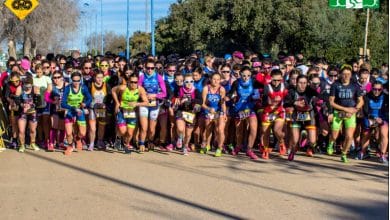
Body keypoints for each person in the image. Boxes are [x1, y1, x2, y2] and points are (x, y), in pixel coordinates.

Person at [328, 65, 364, 163]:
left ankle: (344, 153)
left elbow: (361, 101)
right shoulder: (335, 85)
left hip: (350, 114)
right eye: (344, 74)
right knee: (335, 135)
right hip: (338, 113)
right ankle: (331, 143)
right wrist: (345, 109)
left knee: (349, 136)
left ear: (351, 74)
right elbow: (331, 102)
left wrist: (354, 110)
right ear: (340, 74)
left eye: (348, 74)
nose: (346, 76)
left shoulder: (355, 85)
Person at [228, 66, 259, 160]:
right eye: (244, 75)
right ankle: (238, 146)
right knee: (239, 131)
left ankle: (249, 149)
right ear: (240, 74)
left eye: (248, 75)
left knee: (254, 128)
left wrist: (255, 96)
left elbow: (257, 94)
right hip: (239, 109)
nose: (246, 77)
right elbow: (231, 93)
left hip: (250, 108)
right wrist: (229, 97)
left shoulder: (253, 82)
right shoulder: (236, 82)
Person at [112, 73, 149, 153]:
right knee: (122, 131)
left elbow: (146, 102)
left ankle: (126, 145)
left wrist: (137, 104)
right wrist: (117, 103)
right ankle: (118, 138)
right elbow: (113, 91)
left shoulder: (140, 89)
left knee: (129, 133)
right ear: (128, 81)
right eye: (131, 82)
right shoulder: (123, 87)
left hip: (132, 113)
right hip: (122, 111)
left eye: (135, 82)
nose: (133, 84)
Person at [284, 75, 318, 161]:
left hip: (309, 115)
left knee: (313, 141)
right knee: (295, 141)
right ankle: (292, 151)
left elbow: (322, 97)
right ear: (296, 83)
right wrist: (295, 102)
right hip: (296, 115)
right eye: (300, 83)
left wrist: (316, 101)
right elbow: (285, 102)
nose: (302, 85)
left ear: (307, 83)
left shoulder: (310, 91)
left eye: (304, 83)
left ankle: (307, 142)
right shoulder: (292, 91)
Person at [137, 59, 167, 152]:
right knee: (144, 127)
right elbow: (137, 90)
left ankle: (150, 140)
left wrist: (155, 95)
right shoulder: (142, 77)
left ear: (155, 68)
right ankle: (142, 143)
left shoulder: (158, 77)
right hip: (144, 104)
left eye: (152, 68)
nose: (150, 70)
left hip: (154, 105)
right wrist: (144, 95)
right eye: (148, 68)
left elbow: (164, 93)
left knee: (151, 129)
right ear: (144, 67)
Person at [61, 71, 92, 155]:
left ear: (80, 80)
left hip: (79, 111)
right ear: (71, 80)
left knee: (82, 133)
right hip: (70, 111)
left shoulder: (83, 88)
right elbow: (63, 103)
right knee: (68, 132)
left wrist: (85, 104)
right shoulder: (67, 88)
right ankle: (70, 146)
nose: (76, 82)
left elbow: (90, 98)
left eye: (78, 80)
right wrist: (72, 108)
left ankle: (78, 138)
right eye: (74, 80)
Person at [260, 69, 288, 159]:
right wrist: (267, 101)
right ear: (271, 78)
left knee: (276, 130)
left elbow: (288, 100)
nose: (276, 82)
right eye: (274, 80)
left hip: (279, 112)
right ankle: (265, 149)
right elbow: (263, 102)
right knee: (265, 133)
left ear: (281, 79)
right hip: (268, 112)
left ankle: (281, 142)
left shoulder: (285, 86)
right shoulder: (267, 87)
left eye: (278, 80)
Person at [359, 81, 388, 164]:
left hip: (383, 118)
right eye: (375, 89)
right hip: (370, 117)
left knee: (383, 133)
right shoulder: (367, 96)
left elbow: (387, 110)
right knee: (366, 134)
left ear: (382, 89)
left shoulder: (386, 97)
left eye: (379, 89)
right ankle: (363, 152)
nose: (377, 91)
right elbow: (365, 110)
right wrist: (373, 118)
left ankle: (382, 155)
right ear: (371, 89)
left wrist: (382, 119)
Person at [172, 73, 202, 155]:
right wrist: (177, 99)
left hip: (190, 113)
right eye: (187, 81)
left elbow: (200, 101)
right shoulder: (179, 89)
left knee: (188, 134)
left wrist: (190, 100)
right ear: (183, 82)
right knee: (180, 129)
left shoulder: (196, 91)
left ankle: (185, 147)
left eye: (191, 81)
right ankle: (180, 137)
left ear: (193, 82)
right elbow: (174, 97)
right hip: (181, 111)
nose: (189, 83)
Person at [200, 73, 227, 157]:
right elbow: (202, 104)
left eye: (218, 79)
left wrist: (225, 113)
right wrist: (209, 109)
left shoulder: (221, 89)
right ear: (211, 79)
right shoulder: (205, 88)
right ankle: (207, 145)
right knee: (208, 130)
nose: (216, 81)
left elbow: (223, 103)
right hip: (209, 111)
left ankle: (219, 148)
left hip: (219, 112)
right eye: (214, 79)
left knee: (220, 130)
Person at [15, 77, 40, 152]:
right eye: (25, 84)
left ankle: (33, 143)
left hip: (33, 112)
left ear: (31, 84)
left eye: (29, 84)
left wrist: (31, 106)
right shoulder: (20, 88)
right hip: (23, 112)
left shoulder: (35, 88)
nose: (27, 86)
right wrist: (22, 105)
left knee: (33, 129)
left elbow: (39, 102)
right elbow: (17, 101)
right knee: (21, 130)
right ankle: (22, 145)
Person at [88, 71, 110, 151]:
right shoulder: (91, 85)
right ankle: (91, 143)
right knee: (92, 128)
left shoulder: (106, 85)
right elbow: (86, 96)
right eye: (98, 77)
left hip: (101, 108)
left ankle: (99, 141)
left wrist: (105, 104)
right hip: (92, 108)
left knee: (101, 126)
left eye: (101, 77)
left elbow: (110, 96)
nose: (100, 79)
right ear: (94, 78)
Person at [33, 64, 52, 150]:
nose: (39, 73)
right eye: (37, 71)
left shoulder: (47, 78)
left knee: (45, 122)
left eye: (40, 71)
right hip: (37, 103)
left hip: (45, 102)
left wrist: (43, 91)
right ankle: (40, 140)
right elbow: (33, 90)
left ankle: (47, 140)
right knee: (39, 123)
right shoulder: (33, 78)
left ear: (43, 71)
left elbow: (50, 89)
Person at [47, 71, 67, 151]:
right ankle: (51, 143)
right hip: (54, 108)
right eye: (54, 78)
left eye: (58, 77)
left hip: (64, 108)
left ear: (62, 77)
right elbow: (46, 97)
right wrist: (52, 102)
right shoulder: (51, 86)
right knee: (54, 125)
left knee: (62, 127)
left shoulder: (67, 85)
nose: (56, 79)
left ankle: (61, 143)